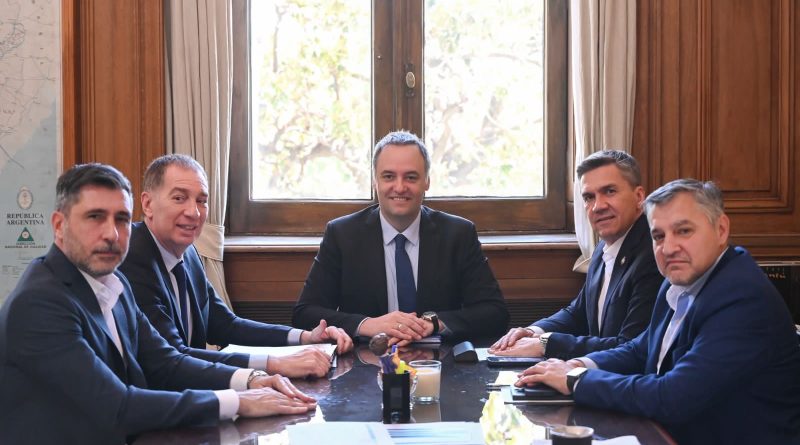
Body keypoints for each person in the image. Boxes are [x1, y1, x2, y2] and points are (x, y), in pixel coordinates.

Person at [0, 164, 316, 444]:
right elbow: (117, 406)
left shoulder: (113, 282)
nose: (111, 234)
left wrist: (251, 380)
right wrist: (238, 402)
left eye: (122, 219)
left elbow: (166, 362)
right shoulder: (39, 303)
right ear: (59, 226)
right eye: (95, 217)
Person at [515, 179, 800, 444]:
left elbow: (674, 396)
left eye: (684, 231)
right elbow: (642, 350)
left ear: (721, 229)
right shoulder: (678, 279)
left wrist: (576, 380)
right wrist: (578, 365)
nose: (669, 248)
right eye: (658, 236)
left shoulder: (742, 298)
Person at [119, 155, 353, 379]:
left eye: (201, 201)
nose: (194, 212)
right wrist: (274, 364)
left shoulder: (188, 253)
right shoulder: (132, 259)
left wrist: (306, 337)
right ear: (148, 204)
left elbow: (224, 324)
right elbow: (173, 357)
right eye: (179, 198)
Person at [293, 130, 509, 342]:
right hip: (365, 358)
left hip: (439, 359)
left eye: (411, 177)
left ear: (427, 181)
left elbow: (495, 313)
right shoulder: (342, 235)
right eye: (388, 176)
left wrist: (434, 324)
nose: (399, 187)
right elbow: (305, 314)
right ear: (375, 181)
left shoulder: (458, 234)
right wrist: (368, 325)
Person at [491, 150, 662, 359]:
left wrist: (546, 344)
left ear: (639, 197)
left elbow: (629, 346)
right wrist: (533, 331)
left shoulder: (655, 254)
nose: (598, 206)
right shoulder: (605, 246)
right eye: (589, 197)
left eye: (609, 191)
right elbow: (578, 312)